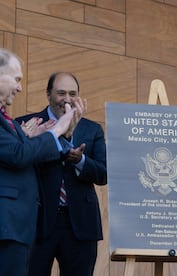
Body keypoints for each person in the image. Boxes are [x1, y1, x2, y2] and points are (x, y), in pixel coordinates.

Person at [16, 72, 107, 276]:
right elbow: (18, 164)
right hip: (38, 222)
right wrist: (30, 141)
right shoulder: (26, 125)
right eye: (61, 93)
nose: (67, 99)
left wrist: (81, 161)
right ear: (48, 94)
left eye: (72, 93)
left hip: (80, 225)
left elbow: (104, 174)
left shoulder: (92, 129)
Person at [0, 49, 80, 276]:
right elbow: (18, 155)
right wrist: (56, 130)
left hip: (17, 228)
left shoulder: (9, 121)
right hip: (7, 227)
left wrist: (34, 138)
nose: (20, 88)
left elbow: (18, 150)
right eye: (16, 79)